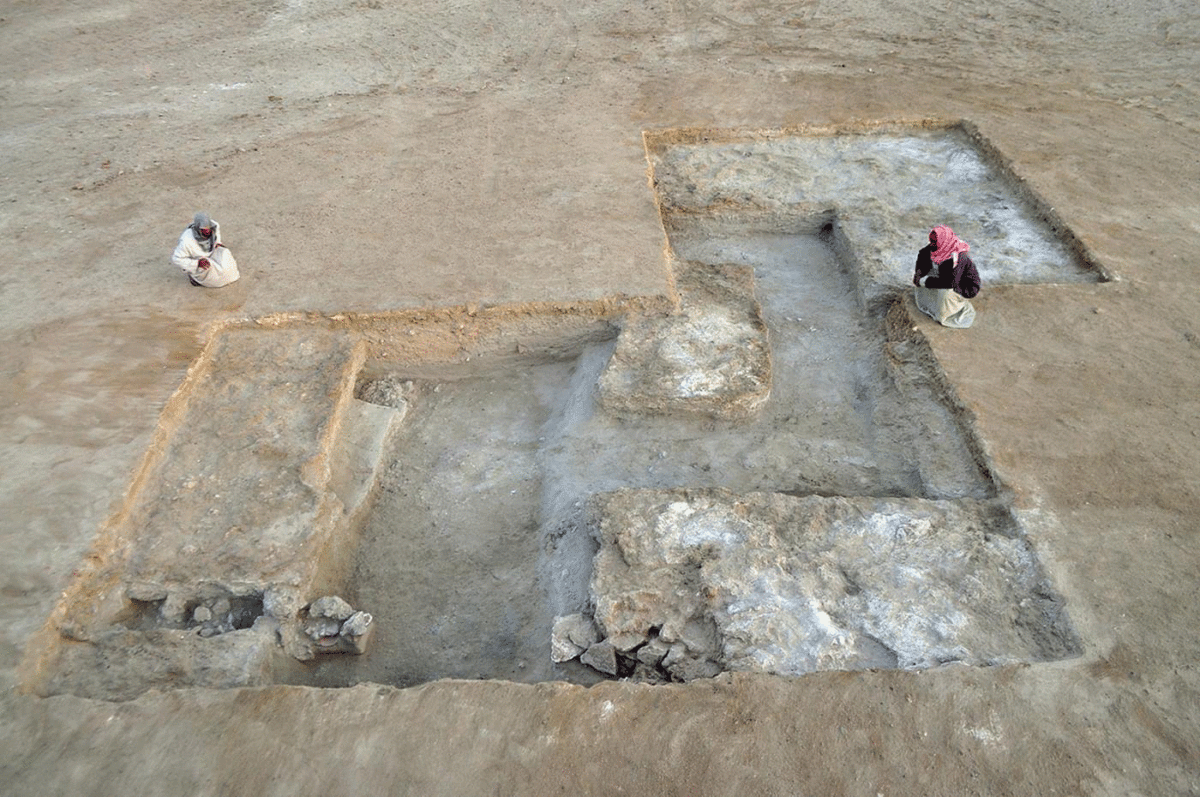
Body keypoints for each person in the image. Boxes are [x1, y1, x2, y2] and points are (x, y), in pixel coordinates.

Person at [912, 224, 980, 328]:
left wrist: (925, 281)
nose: (932, 244)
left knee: (944, 293)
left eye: (935, 242)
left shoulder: (958, 258)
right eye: (931, 241)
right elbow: (922, 262)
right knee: (922, 285)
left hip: (962, 287)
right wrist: (919, 276)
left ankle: (947, 314)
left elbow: (950, 283)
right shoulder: (932, 249)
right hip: (945, 279)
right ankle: (933, 306)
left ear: (943, 241)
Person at [171, 211, 240, 287]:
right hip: (200, 261)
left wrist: (218, 243)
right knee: (208, 270)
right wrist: (197, 263)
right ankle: (195, 279)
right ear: (197, 229)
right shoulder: (186, 240)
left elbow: (217, 236)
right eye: (203, 230)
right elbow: (176, 259)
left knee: (226, 253)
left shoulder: (214, 226)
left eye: (209, 229)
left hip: (212, 253)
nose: (207, 231)